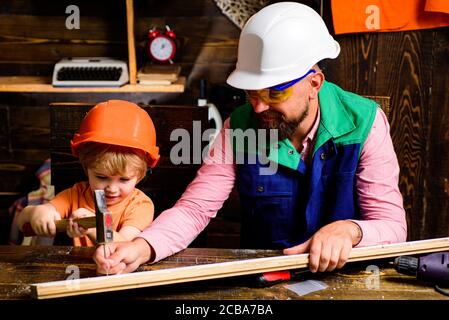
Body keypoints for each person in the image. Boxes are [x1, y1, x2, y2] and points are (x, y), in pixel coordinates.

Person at [94, 2, 406, 273]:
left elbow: (392, 226)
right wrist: (142, 246)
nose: (258, 106)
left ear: (314, 83)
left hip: (347, 277)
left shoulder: (365, 123)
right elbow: (195, 209)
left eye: (275, 92)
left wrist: (349, 231)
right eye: (251, 92)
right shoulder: (239, 126)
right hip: (262, 279)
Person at [17, 100, 160, 246]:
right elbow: (21, 222)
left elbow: (124, 247)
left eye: (124, 179)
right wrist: (37, 213)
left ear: (139, 176)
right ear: (87, 169)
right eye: (102, 177)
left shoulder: (140, 206)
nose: (112, 188)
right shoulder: (75, 195)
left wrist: (92, 227)